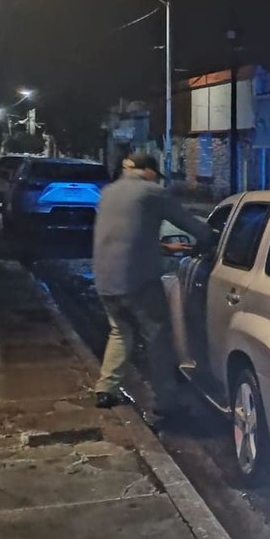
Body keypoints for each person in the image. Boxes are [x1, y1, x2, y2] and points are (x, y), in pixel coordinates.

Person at [92, 152, 216, 426]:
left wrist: (161, 247)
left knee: (120, 330)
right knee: (158, 337)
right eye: (154, 173)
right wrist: (210, 239)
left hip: (105, 280)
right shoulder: (152, 193)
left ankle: (105, 389)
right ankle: (166, 402)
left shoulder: (109, 192)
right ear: (147, 171)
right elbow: (190, 224)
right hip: (138, 281)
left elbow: (125, 234)